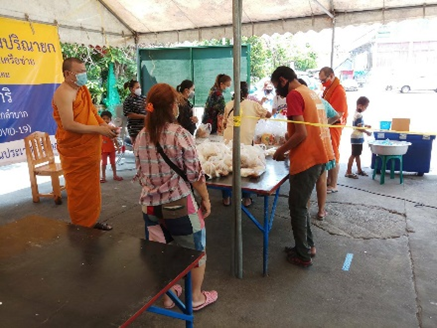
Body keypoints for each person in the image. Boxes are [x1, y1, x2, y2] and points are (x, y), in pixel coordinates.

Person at [134, 83, 218, 311]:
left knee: (161, 254)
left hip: (150, 209)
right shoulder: (179, 134)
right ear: (172, 107)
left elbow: (141, 174)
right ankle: (196, 298)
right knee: (196, 252)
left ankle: (168, 296)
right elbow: (195, 175)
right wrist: (206, 199)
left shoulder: (141, 136)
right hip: (179, 207)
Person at [271, 66, 334, 268]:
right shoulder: (311, 93)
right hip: (320, 154)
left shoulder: (294, 95)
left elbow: (301, 134)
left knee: (297, 206)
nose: (277, 93)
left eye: (276, 87)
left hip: (308, 158)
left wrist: (281, 150)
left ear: (282, 80)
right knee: (301, 204)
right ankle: (307, 246)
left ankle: (303, 255)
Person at [52, 57, 116, 230]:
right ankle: (81, 226)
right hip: (75, 150)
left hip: (89, 148)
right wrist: (98, 130)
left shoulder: (82, 90)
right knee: (79, 191)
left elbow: (93, 113)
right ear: (67, 73)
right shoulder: (63, 93)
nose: (84, 74)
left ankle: (91, 221)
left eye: (84, 70)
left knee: (91, 189)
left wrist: (105, 126)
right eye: (80, 72)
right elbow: (69, 125)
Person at [222, 81, 272, 207]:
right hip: (244, 141)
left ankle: (226, 198)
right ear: (247, 93)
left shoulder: (229, 104)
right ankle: (246, 199)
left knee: (227, 167)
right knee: (245, 168)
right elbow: (269, 115)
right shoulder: (253, 105)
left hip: (228, 140)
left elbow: (223, 123)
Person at [298, 78, 339, 220]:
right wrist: (325, 124)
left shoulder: (302, 100)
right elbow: (337, 114)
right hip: (324, 144)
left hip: (310, 145)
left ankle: (306, 211)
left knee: (307, 181)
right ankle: (321, 211)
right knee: (321, 180)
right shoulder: (319, 100)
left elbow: (300, 130)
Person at [319, 67, 348, 194]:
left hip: (334, 126)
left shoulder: (339, 90)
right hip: (328, 125)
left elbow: (339, 113)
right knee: (328, 154)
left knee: (334, 154)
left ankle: (333, 184)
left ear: (331, 76)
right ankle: (329, 180)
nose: (322, 83)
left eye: (324, 80)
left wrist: (324, 125)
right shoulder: (329, 89)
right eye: (321, 81)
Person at [345, 96, 372, 178]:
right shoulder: (359, 115)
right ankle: (348, 172)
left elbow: (359, 125)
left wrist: (365, 126)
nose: (365, 109)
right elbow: (358, 127)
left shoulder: (356, 113)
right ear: (360, 105)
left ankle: (359, 169)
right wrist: (367, 131)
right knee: (353, 154)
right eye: (365, 107)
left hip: (357, 137)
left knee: (357, 154)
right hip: (357, 137)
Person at [99, 110, 123, 183]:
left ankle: (115, 175)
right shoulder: (99, 128)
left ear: (110, 119)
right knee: (104, 163)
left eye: (107, 118)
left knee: (113, 163)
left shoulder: (112, 128)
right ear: (101, 119)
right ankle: (103, 176)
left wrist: (118, 147)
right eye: (104, 118)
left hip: (111, 148)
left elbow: (114, 138)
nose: (106, 120)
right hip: (103, 149)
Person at [123, 79, 147, 146]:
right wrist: (143, 116)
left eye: (140, 87)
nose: (139, 89)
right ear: (131, 89)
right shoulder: (128, 100)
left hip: (145, 127)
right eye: (137, 87)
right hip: (134, 128)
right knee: (137, 148)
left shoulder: (144, 98)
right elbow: (129, 114)